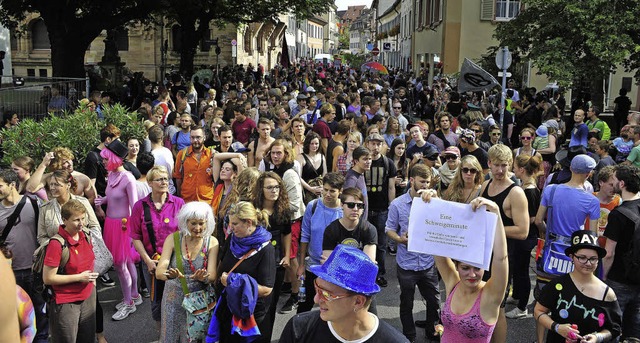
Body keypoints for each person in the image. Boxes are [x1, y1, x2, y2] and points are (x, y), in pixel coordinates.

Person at [420, 192, 508, 343]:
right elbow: (436, 243)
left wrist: (496, 213)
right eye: (466, 268)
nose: (472, 275)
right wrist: (435, 204)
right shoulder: (452, 283)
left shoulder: (490, 295)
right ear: (457, 266)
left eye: (477, 268)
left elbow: (501, 258)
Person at [280, 245, 409, 343]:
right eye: (317, 288)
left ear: (358, 301)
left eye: (326, 294)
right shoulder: (298, 329)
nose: (316, 299)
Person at [479, 144, 530, 343]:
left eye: (505, 166)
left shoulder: (516, 193)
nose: (500, 171)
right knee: (482, 303)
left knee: (497, 308)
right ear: (489, 164)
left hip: (503, 258)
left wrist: (490, 229)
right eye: (496, 165)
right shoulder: (485, 186)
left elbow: (523, 230)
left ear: (510, 165)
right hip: (483, 255)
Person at [386, 164, 441, 342]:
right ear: (412, 181)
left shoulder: (433, 201)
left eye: (428, 182)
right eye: (422, 182)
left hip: (427, 263)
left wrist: (437, 200)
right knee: (407, 303)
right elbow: (389, 229)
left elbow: (443, 222)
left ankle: (431, 330)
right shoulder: (397, 204)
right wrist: (401, 239)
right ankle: (409, 335)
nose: (426, 185)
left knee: (434, 301)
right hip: (407, 263)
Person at [535, 230, 621, 343]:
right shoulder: (557, 285)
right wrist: (557, 327)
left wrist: (597, 337)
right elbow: (538, 311)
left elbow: (614, 329)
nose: (588, 263)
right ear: (572, 257)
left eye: (593, 259)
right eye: (582, 257)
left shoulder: (607, 293)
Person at [155, 201, 219, 342]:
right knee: (170, 337)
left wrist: (204, 278)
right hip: (173, 300)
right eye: (193, 223)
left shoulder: (212, 242)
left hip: (199, 302)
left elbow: (212, 275)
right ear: (185, 222)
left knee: (195, 337)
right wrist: (168, 275)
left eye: (202, 223)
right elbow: (159, 272)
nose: (198, 228)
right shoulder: (173, 239)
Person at [130, 166, 185, 324]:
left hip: (175, 260)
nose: (164, 182)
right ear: (149, 183)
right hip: (151, 262)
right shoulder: (140, 206)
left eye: (166, 179)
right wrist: (147, 260)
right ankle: (161, 334)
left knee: (178, 298)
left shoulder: (179, 203)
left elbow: (185, 233)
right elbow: (135, 236)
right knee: (157, 302)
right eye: (159, 179)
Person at [216, 201, 276, 343]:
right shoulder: (233, 238)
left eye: (235, 224)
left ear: (249, 222)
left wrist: (233, 282)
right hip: (228, 308)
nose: (231, 227)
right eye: (230, 223)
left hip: (249, 314)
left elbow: (267, 289)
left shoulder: (265, 249)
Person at [0, 169, 47, 343]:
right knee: (16, 316)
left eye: (0, 186)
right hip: (11, 272)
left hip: (34, 269)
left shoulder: (33, 203)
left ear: (12, 184)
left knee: (40, 312)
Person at [96, 139, 140, 321]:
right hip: (111, 224)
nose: (103, 162)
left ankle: (129, 303)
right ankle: (134, 295)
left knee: (121, 265)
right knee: (125, 263)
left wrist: (134, 233)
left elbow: (135, 206)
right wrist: (103, 201)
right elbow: (113, 197)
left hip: (123, 225)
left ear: (114, 159)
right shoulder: (112, 176)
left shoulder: (128, 178)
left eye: (106, 159)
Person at [43, 199, 98, 343]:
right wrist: (79, 277)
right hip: (66, 302)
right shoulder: (56, 244)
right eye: (76, 220)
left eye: (83, 218)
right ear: (64, 220)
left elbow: (90, 261)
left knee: (87, 339)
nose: (81, 223)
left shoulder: (85, 234)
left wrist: (92, 284)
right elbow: (48, 278)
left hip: (88, 296)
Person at [251, 172, 292, 342]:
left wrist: (287, 255)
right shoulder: (252, 208)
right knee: (254, 304)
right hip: (255, 263)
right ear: (261, 189)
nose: (274, 191)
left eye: (277, 187)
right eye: (270, 187)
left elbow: (287, 234)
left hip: (276, 263)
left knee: (271, 306)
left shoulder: (283, 209)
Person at [602, 165, 640, 340]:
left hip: (618, 278)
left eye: (615, 179)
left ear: (622, 183)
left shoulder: (618, 214)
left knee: (613, 326)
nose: (613, 182)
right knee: (634, 329)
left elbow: (609, 253)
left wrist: (602, 277)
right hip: (637, 278)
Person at [505, 154, 543, 319]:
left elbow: (533, 218)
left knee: (522, 271)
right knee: (517, 268)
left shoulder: (529, 191)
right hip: (523, 237)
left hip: (526, 237)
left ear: (521, 169)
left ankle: (522, 307)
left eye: (514, 166)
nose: (513, 169)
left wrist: (517, 219)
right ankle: (517, 296)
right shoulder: (525, 186)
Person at [364, 133, 396, 287]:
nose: (375, 147)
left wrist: (391, 206)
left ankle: (380, 273)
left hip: (382, 209)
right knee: (364, 243)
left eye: (378, 144)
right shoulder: (363, 162)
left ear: (383, 145)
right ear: (367, 144)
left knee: (381, 244)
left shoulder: (388, 163)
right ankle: (365, 274)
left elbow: (391, 186)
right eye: (373, 143)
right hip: (365, 209)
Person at [173, 127, 214, 202]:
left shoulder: (211, 154)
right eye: (192, 137)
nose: (195, 140)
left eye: (198, 137)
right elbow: (178, 178)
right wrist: (180, 197)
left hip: (207, 200)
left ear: (204, 137)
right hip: (187, 199)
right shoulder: (182, 154)